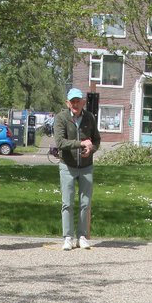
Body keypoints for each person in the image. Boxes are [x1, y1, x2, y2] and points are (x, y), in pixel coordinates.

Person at [53, 87, 100, 251]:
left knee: (85, 204)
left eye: (78, 101)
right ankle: (68, 237)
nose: (75, 104)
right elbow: (60, 143)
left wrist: (91, 148)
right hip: (67, 165)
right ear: (67, 103)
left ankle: (82, 236)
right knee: (67, 203)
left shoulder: (89, 118)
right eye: (72, 101)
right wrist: (80, 144)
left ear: (83, 102)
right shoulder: (61, 118)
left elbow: (96, 140)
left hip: (86, 167)